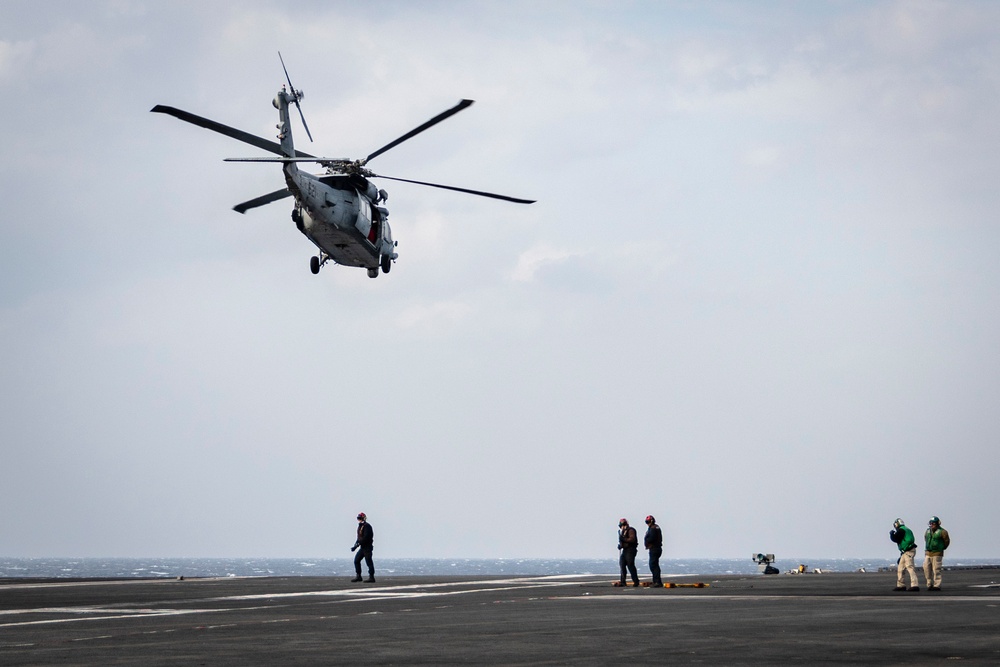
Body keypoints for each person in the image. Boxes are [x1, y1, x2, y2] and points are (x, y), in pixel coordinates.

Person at [889, 518, 919, 591]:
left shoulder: (901, 530)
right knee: (900, 568)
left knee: (909, 567)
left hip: (908, 551)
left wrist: (891, 534)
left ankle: (914, 585)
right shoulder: (907, 530)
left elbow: (896, 539)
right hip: (906, 551)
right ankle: (901, 585)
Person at [923, 516, 950, 591]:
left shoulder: (943, 532)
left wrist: (941, 548)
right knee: (926, 568)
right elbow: (926, 538)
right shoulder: (928, 531)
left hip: (937, 553)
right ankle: (929, 584)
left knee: (936, 569)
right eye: (931, 523)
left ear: (937, 524)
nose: (932, 525)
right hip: (928, 552)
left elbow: (946, 541)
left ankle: (937, 585)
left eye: (933, 523)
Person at [350, 512, 375, 583]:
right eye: (358, 518)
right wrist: (355, 546)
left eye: (360, 518)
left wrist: (358, 544)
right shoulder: (360, 526)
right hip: (362, 547)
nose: (359, 520)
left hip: (367, 547)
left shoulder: (367, 526)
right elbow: (359, 537)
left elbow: (366, 537)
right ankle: (358, 576)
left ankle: (371, 577)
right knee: (356, 561)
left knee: (368, 562)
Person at [617, 518, 640, 587]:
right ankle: (623, 581)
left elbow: (632, 539)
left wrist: (624, 539)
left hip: (630, 550)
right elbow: (623, 542)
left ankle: (636, 581)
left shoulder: (631, 530)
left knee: (630, 565)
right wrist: (620, 546)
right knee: (622, 564)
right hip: (625, 550)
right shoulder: (623, 531)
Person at [644, 515, 663, 587]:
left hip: (654, 548)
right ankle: (656, 581)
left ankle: (657, 582)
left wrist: (646, 538)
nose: (647, 524)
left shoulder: (653, 528)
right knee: (654, 565)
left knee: (653, 565)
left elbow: (651, 538)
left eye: (648, 522)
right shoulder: (656, 527)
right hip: (657, 548)